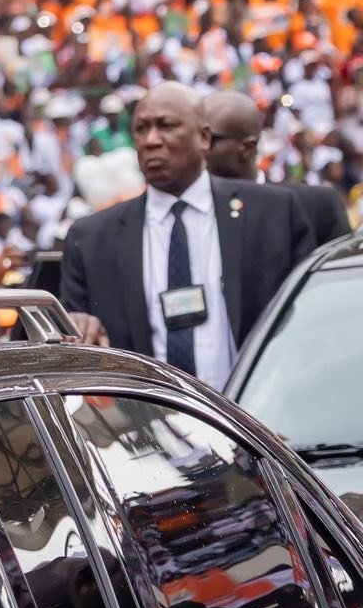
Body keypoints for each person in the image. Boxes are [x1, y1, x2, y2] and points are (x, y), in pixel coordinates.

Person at [60, 84, 316, 385]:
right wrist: (76, 326)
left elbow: (310, 321)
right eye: (141, 129)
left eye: (166, 125)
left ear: (204, 137)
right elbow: (71, 339)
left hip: (257, 408)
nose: (151, 140)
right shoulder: (91, 240)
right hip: (145, 413)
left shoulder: (273, 213)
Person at [202, 90, 352, 247]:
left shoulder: (315, 206)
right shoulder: (190, 212)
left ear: (246, 147)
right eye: (195, 136)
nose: (198, 145)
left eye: (208, 138)